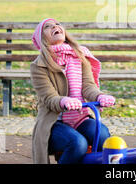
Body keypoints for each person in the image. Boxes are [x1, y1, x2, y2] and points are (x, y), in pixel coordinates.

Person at [30, 18, 116, 164]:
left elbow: (88, 86)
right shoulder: (39, 65)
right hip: (54, 122)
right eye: (48, 27)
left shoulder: (80, 55)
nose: (55, 27)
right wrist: (63, 100)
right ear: (41, 38)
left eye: (57, 24)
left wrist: (100, 96)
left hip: (79, 117)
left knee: (102, 134)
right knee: (78, 143)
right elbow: (49, 98)